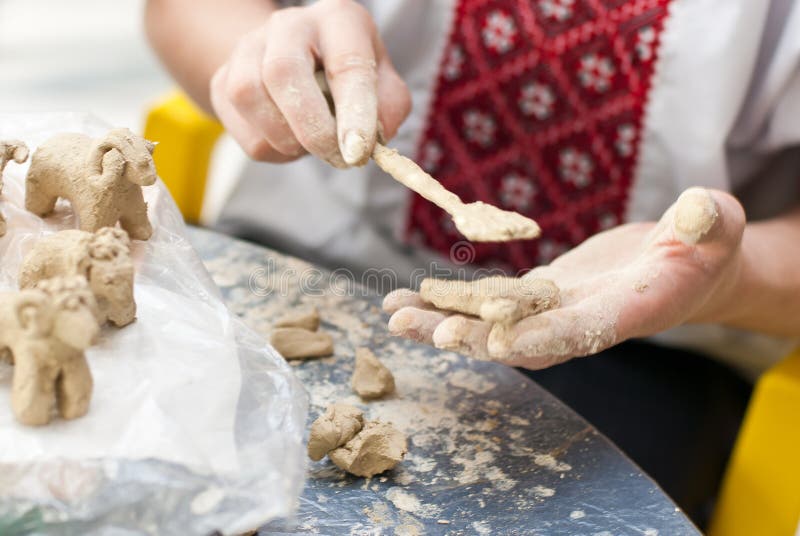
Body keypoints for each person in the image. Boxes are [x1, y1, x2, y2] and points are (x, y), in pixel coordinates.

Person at [146, 0, 800, 525]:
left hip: (643, 345)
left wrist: (729, 273)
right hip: (295, 247)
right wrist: (260, 56)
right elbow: (180, 8)